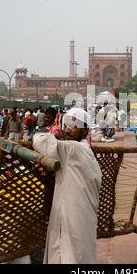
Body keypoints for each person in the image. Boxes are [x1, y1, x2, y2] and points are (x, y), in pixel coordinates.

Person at [33, 108, 102, 263]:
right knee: (80, 253)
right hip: (81, 216)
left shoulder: (72, 149)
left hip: (74, 216)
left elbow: (39, 140)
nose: (67, 130)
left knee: (70, 254)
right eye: (65, 126)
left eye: (73, 126)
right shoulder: (85, 150)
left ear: (85, 130)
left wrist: (56, 133)